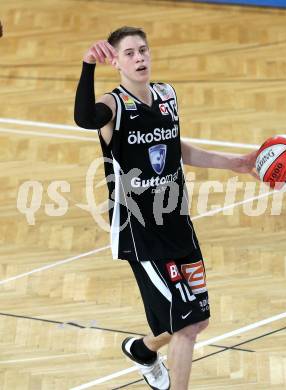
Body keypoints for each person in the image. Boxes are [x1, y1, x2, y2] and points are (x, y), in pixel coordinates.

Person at [74, 26, 257, 390]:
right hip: (141, 233)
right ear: (116, 62)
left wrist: (234, 163)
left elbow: (177, 148)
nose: (140, 57)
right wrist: (87, 65)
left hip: (178, 225)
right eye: (129, 53)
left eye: (143, 50)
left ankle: (142, 350)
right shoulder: (113, 106)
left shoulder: (167, 96)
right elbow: (84, 117)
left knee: (194, 320)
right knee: (185, 325)